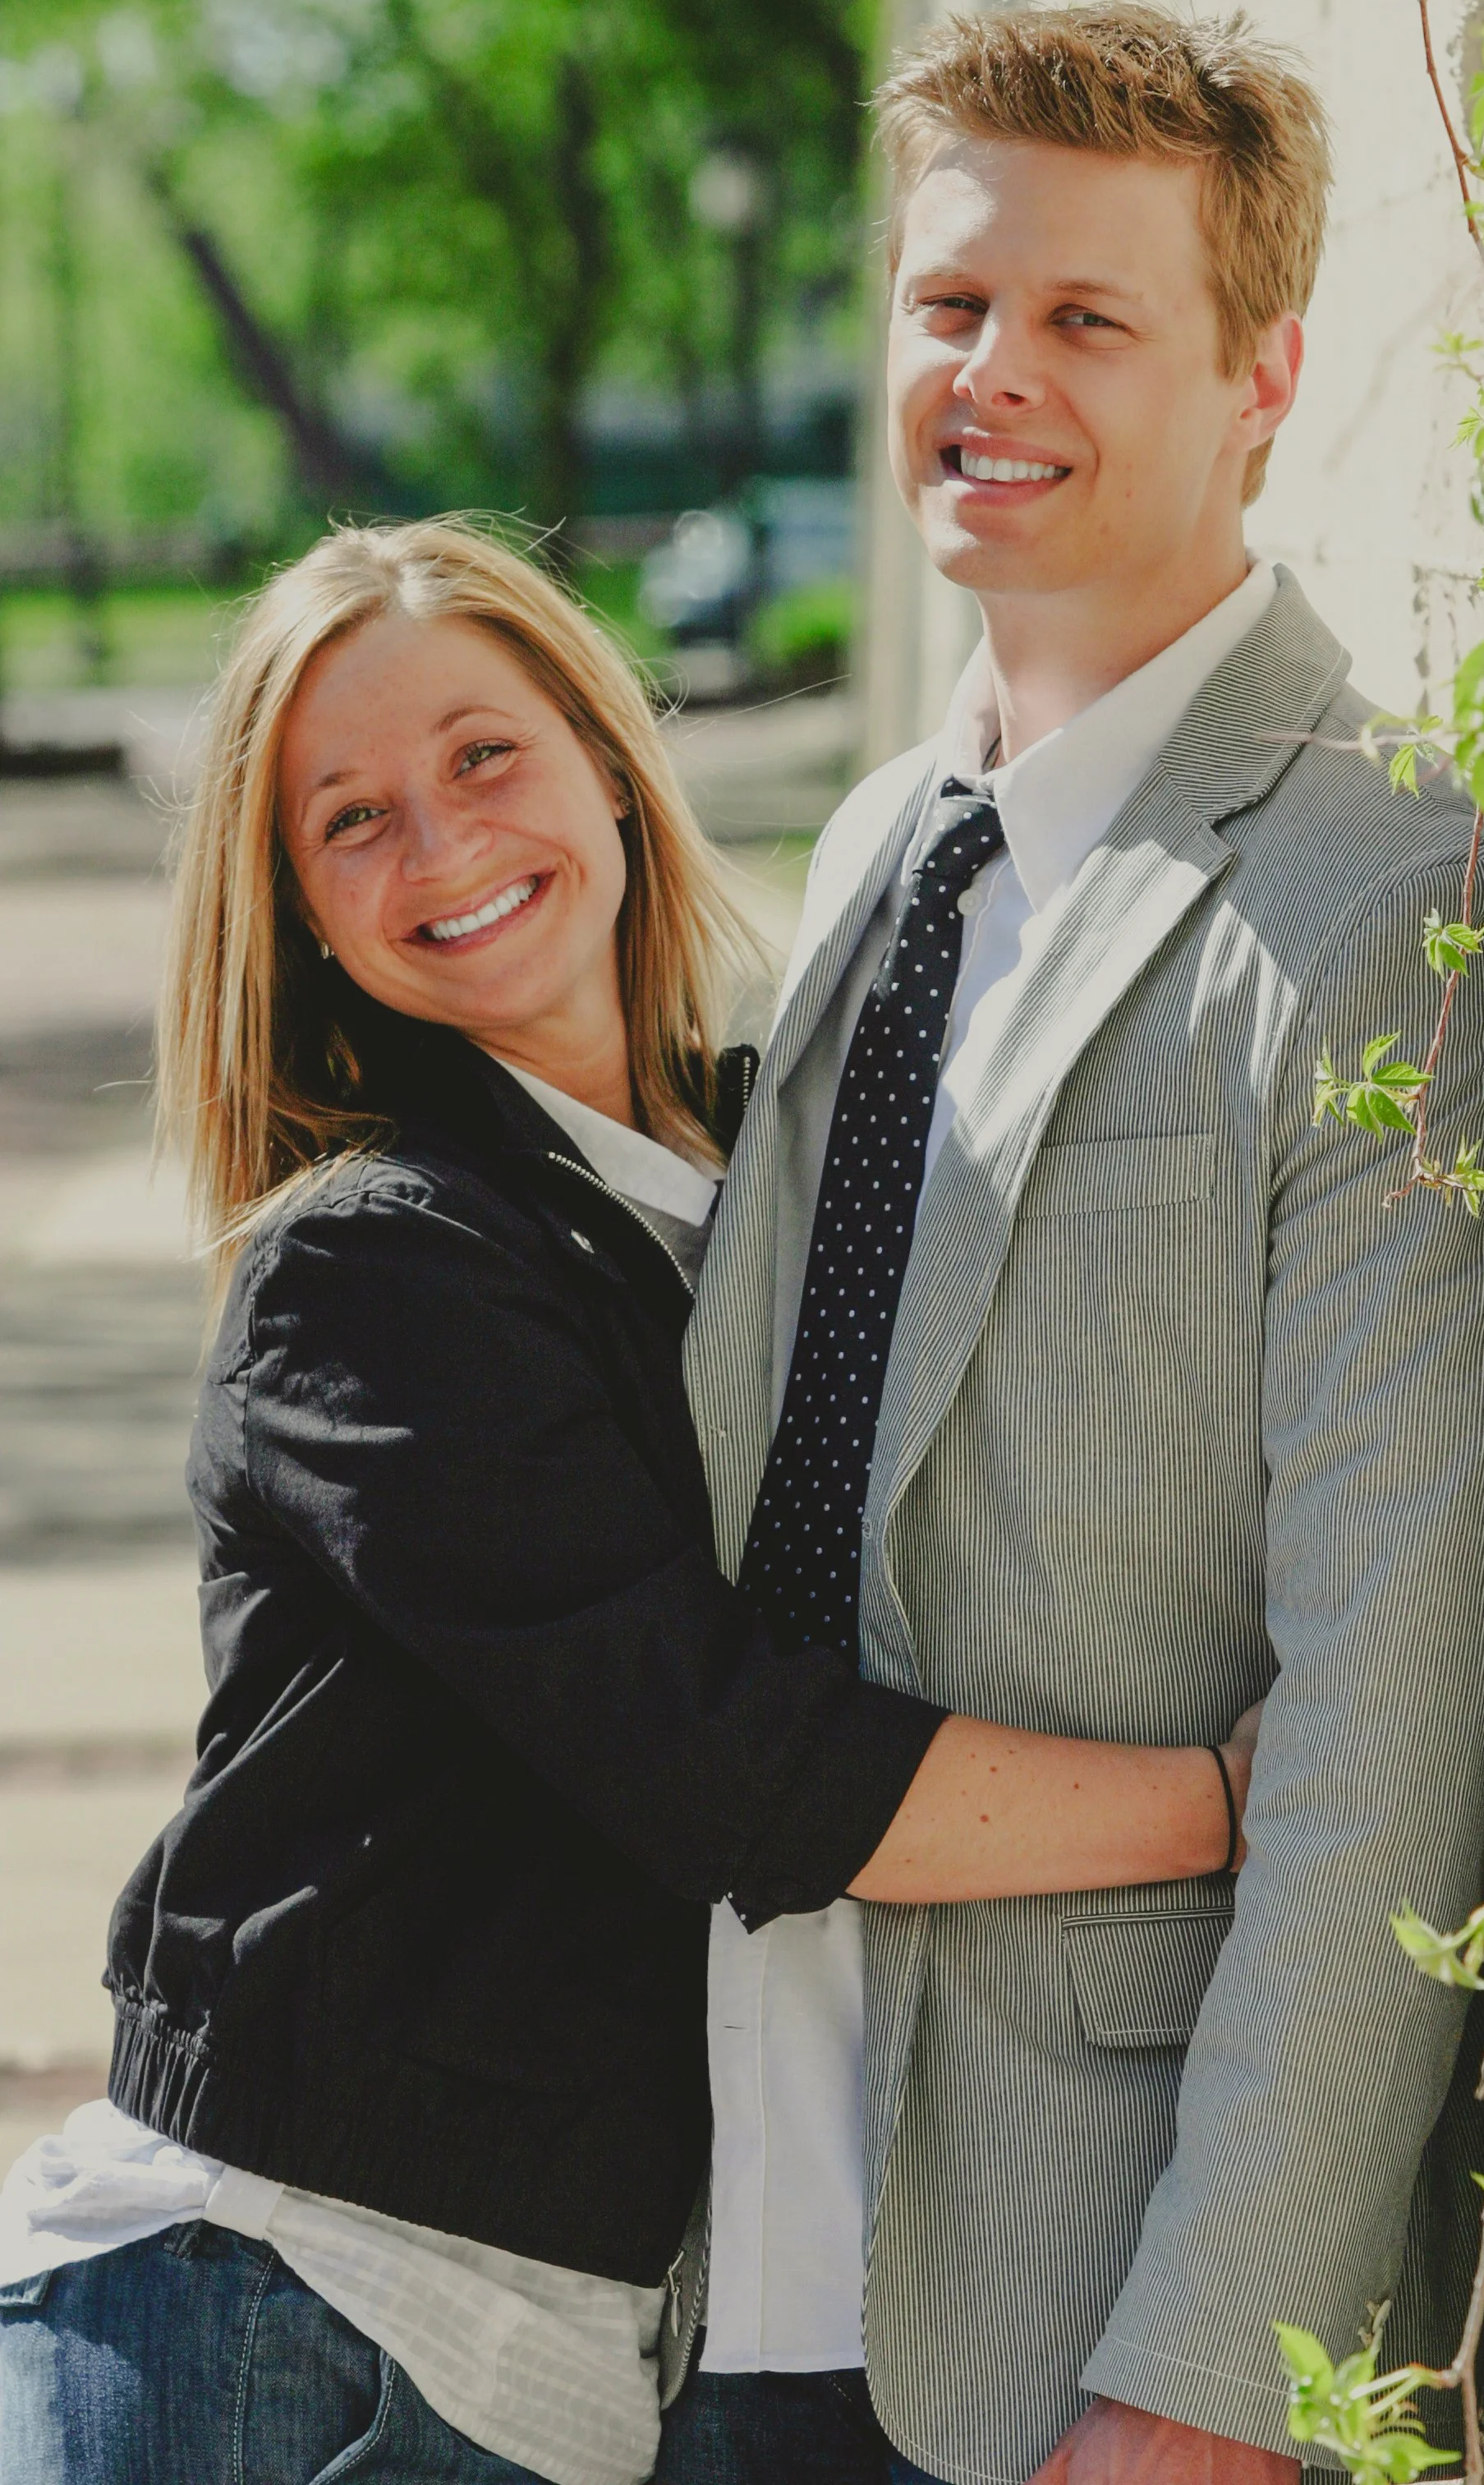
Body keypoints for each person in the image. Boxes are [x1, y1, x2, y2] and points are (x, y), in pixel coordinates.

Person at [0, 519, 1264, 2485]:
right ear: (303, 916)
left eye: (486, 757)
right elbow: (724, 1765)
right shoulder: (374, 1270)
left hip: (549, 2363)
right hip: (276, 2320)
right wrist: (1232, 1807)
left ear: (605, 757)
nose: (441, 846)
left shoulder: (769, 1172)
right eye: (353, 819)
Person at [662, 0, 1484, 2485]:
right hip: (716, 2236)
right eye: (954, 306)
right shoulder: (874, 852)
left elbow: (1381, 1737)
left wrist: (1205, 2385)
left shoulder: (1389, 905)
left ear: (1262, 381)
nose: (992, 373)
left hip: (1064, 2308)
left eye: (1085, 317)